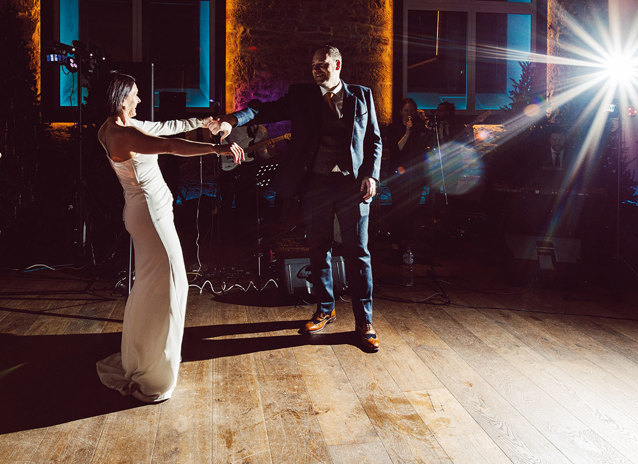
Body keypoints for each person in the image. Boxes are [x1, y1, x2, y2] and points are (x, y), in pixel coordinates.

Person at [213, 45, 382, 352]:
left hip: (352, 186)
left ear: (338, 65)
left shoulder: (363, 95)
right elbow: (262, 109)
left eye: (323, 65)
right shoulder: (302, 96)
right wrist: (232, 120)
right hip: (316, 184)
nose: (317, 70)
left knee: (359, 253)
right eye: (314, 65)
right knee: (318, 250)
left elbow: (374, 140)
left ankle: (364, 322)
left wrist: (372, 175)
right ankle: (325, 309)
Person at [95, 73, 243, 402]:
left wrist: (202, 120)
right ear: (122, 100)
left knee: (148, 287)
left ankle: (140, 359)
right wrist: (216, 149)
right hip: (151, 218)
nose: (139, 100)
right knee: (174, 284)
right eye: (134, 95)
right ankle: (155, 375)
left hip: (144, 213)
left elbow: (163, 128)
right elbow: (168, 145)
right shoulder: (123, 134)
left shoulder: (109, 127)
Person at [387, 98, 429, 257]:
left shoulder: (419, 128)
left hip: (414, 172)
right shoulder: (393, 128)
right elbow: (397, 149)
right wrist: (407, 132)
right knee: (397, 206)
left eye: (411, 111)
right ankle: (396, 241)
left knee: (413, 206)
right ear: (400, 112)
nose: (409, 114)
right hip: (397, 172)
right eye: (406, 111)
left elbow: (423, 146)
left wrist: (423, 124)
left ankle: (409, 240)